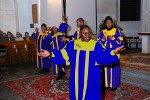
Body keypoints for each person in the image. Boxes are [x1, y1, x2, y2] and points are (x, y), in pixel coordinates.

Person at [38, 25, 124, 100]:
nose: (87, 35)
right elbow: (63, 55)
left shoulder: (96, 45)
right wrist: (50, 54)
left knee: (92, 95)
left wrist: (113, 52)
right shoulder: (73, 44)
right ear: (80, 34)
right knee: (77, 94)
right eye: (84, 33)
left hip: (92, 78)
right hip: (77, 78)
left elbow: (104, 56)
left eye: (89, 33)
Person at [97, 16, 124, 91]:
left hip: (114, 53)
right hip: (105, 53)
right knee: (106, 68)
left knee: (114, 69)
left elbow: (121, 42)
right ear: (105, 24)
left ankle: (113, 85)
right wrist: (102, 39)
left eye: (110, 22)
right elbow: (98, 43)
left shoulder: (116, 31)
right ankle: (106, 84)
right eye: (107, 23)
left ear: (112, 23)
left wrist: (113, 38)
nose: (108, 24)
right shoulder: (103, 32)